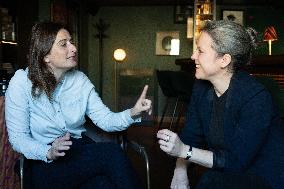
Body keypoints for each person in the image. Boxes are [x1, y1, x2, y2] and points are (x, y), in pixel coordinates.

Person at [5, 21, 152, 189]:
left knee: (104, 185)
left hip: (79, 152)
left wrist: (133, 112)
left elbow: (105, 119)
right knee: (112, 153)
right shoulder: (21, 82)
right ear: (45, 55)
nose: (73, 48)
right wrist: (49, 152)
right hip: (43, 161)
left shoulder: (80, 80)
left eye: (71, 42)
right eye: (63, 44)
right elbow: (18, 138)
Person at [157, 20, 284, 189]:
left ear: (224, 60)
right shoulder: (201, 88)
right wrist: (180, 171)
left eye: (200, 51)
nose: (193, 56)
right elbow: (191, 136)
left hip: (264, 176)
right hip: (226, 169)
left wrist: (184, 151)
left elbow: (236, 161)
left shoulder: (256, 98)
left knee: (210, 181)